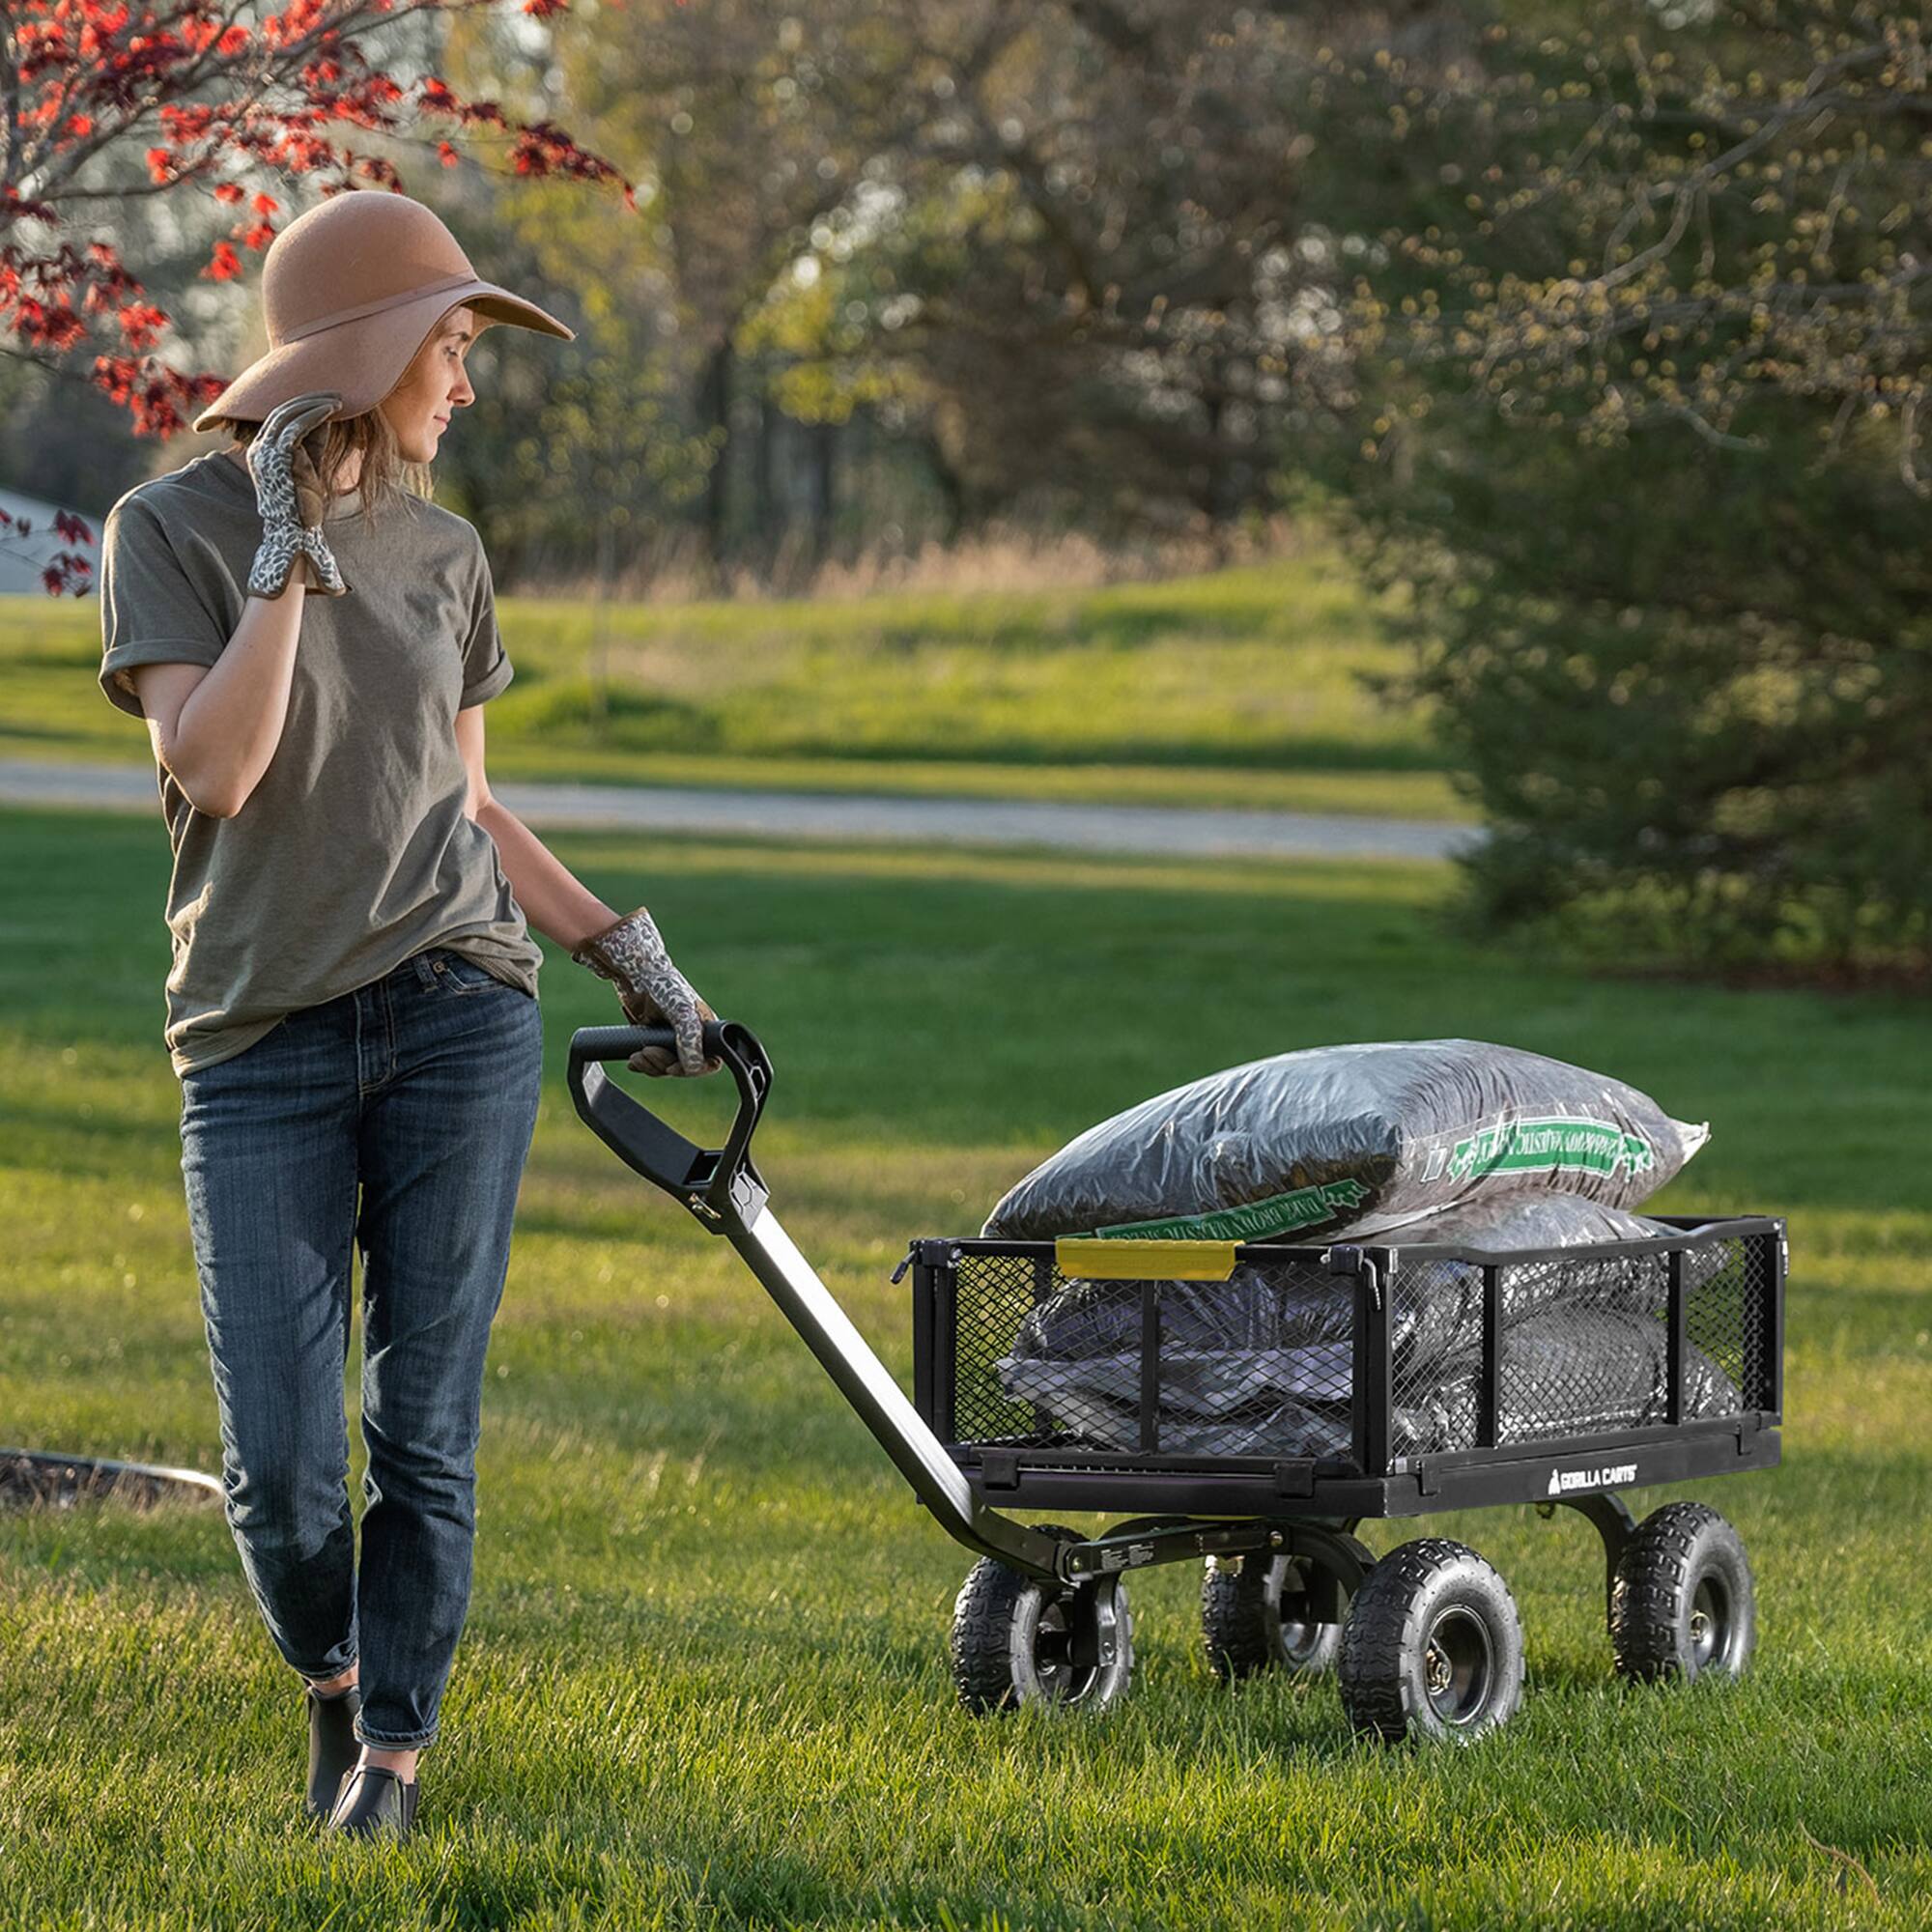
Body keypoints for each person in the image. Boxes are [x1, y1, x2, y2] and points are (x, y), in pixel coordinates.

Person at [94, 191, 720, 1841]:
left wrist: (634, 962)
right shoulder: (166, 531)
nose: (467, 381)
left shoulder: (449, 555)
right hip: (258, 1041)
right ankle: (333, 1677)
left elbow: (471, 809)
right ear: (365, 355)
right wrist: (286, 547)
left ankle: (391, 1756)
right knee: (286, 1477)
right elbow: (216, 769)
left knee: (421, 1433)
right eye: (448, 346)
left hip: (458, 1011)